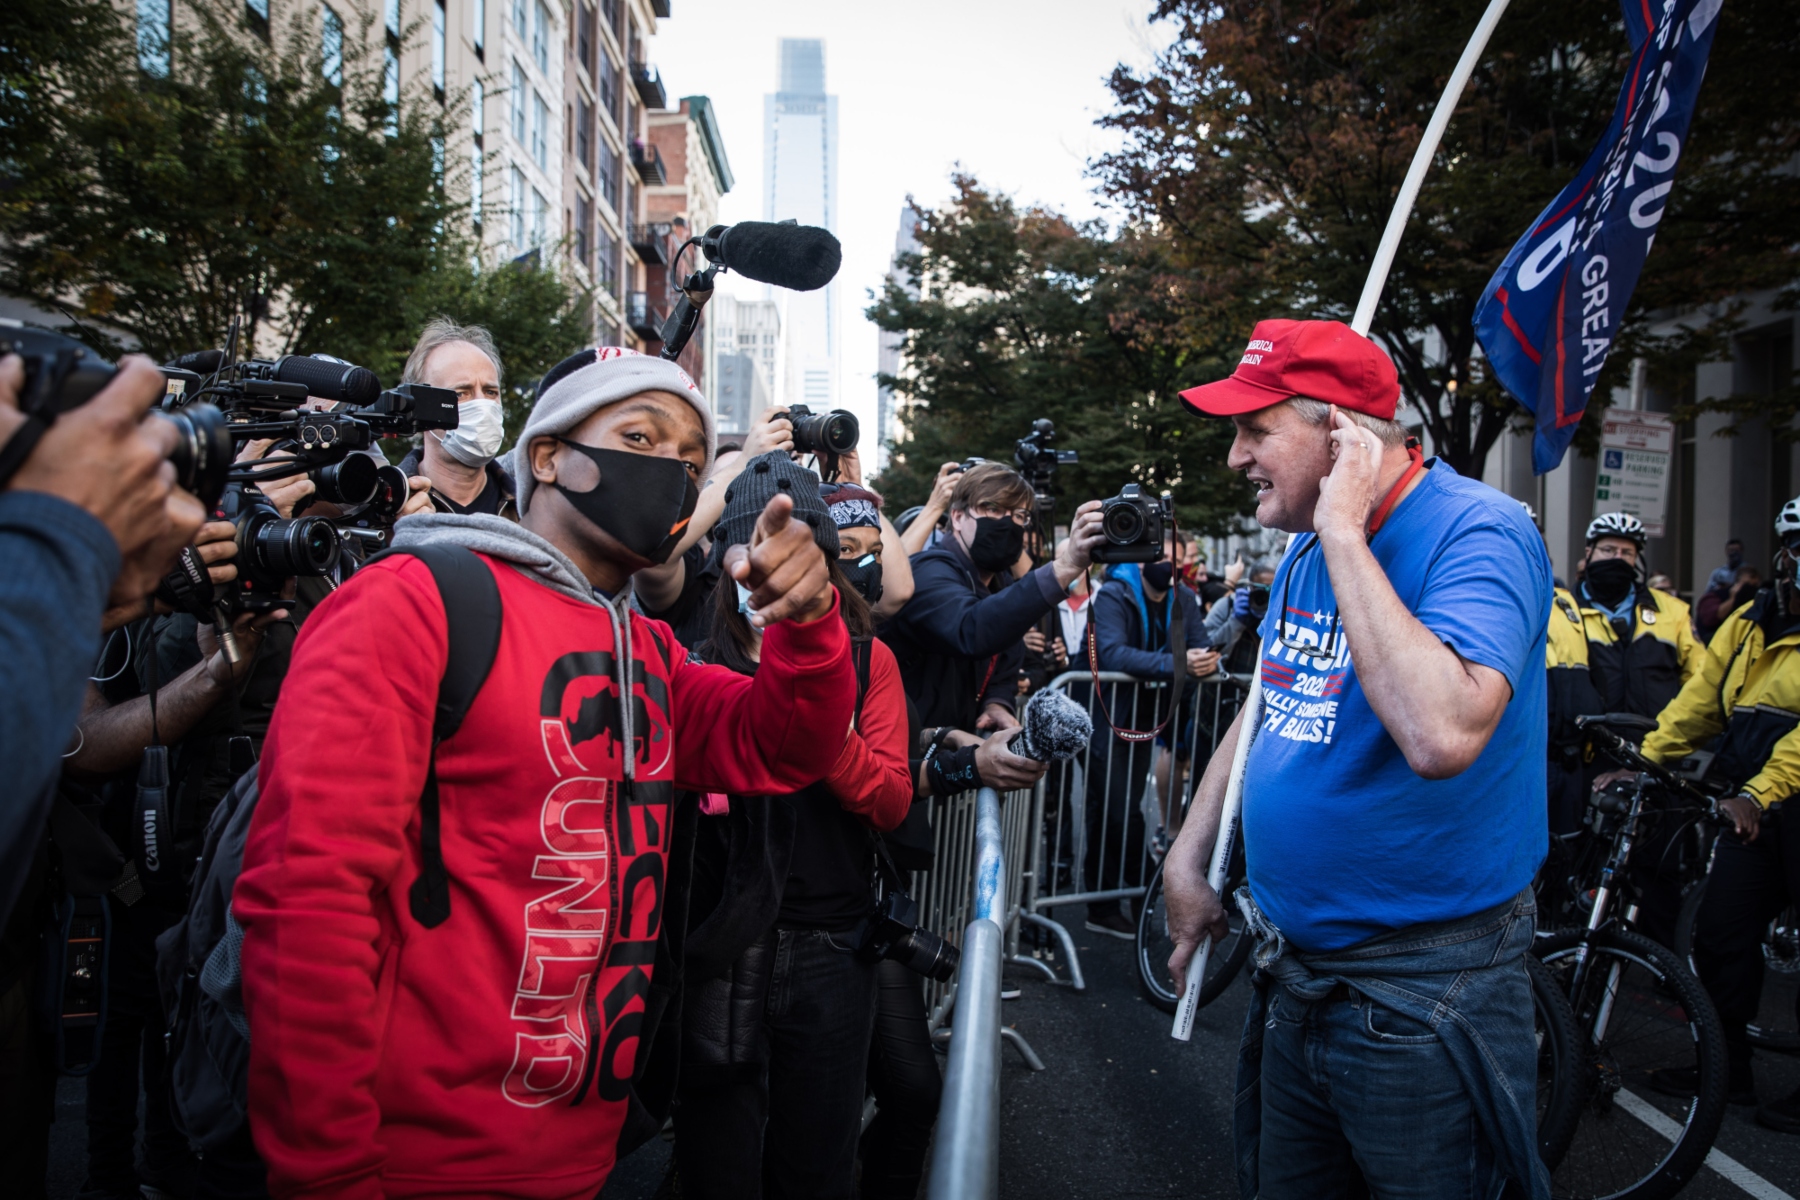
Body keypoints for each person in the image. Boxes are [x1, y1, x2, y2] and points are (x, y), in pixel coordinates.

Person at [234, 347, 857, 1199]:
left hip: (578, 1157)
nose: (670, 474)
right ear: (547, 456)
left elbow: (784, 746)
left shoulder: (649, 651)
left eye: (688, 459)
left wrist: (811, 619)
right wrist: (330, 1171)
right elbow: (307, 901)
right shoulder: (411, 603)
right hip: (411, 1166)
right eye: (640, 435)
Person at [1164, 318, 1553, 1200]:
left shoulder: (1479, 534)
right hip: (1296, 976)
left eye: (1255, 431)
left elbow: (1441, 733)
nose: (1235, 458)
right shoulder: (1303, 550)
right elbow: (1267, 701)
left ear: (1340, 435)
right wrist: (1190, 858)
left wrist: (1344, 532)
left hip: (1422, 996)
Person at [672, 454, 913, 1200]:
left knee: (816, 1162)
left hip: (830, 946)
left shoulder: (870, 659)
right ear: (727, 562)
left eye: (794, 550)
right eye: (755, 553)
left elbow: (892, 801)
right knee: (717, 1161)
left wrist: (821, 737)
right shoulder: (691, 663)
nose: (772, 572)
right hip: (720, 947)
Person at [1626, 496, 1800, 1131]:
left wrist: (1761, 793)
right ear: (1784, 553)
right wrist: (1643, 762)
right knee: (1722, 933)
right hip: (1747, 806)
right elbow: (1699, 704)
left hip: (1772, 798)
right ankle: (1728, 1072)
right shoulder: (1748, 622)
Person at [882, 462, 1104, 737]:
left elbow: (1007, 658)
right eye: (993, 509)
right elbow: (971, 628)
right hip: (905, 752)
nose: (1007, 523)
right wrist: (1066, 565)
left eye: (1019, 515)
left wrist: (997, 702)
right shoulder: (929, 570)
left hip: (953, 754)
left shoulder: (1001, 583)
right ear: (958, 517)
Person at [1081, 535, 1220, 936]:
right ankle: (1113, 900)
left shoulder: (1184, 598)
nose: (1173, 566)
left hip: (1143, 715)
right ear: (1143, 559)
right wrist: (1180, 664)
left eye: (1181, 560)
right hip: (1102, 713)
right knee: (1111, 809)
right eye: (1165, 557)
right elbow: (1113, 653)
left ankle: (1133, 892)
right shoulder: (1114, 594)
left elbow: (1200, 645)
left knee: (1125, 808)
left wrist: (1206, 659)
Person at [1545, 513, 1706, 842]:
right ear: (1588, 552)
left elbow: (1701, 684)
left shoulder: (1672, 611)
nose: (1617, 559)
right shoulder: (1561, 609)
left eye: (1626, 553)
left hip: (1658, 759)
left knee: (1657, 868)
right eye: (1608, 550)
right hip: (1589, 760)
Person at [394, 318, 517, 517]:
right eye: (461, 393)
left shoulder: (531, 508)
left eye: (490, 392)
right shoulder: (388, 505)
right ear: (418, 406)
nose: (482, 405)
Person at [1205, 565, 1274, 674]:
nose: (1265, 597)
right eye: (1260, 590)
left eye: (1272, 592)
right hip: (1227, 687)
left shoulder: (1285, 612)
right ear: (1250, 587)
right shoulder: (1227, 606)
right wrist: (1236, 622)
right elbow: (1206, 653)